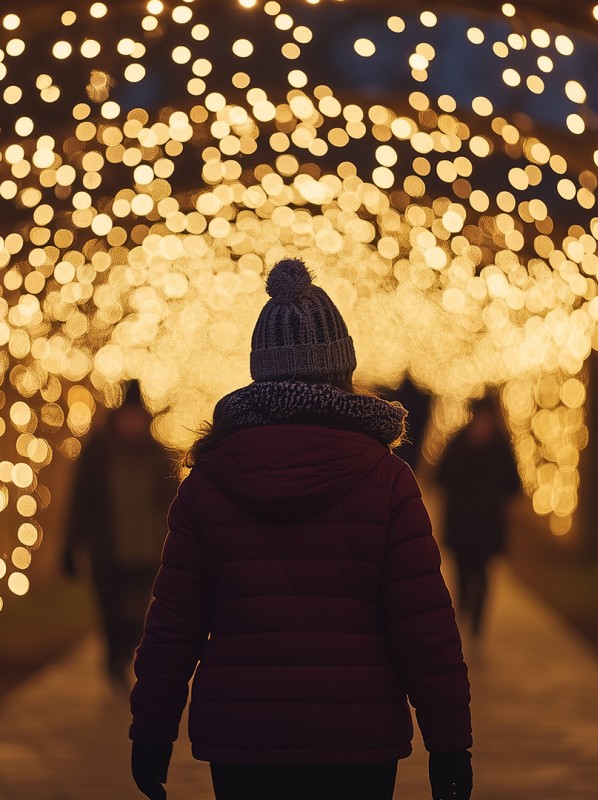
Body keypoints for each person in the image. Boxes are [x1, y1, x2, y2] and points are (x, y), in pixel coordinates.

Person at [129, 258, 473, 800]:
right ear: (343, 370)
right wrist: (450, 742)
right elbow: (423, 625)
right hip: (358, 736)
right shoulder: (386, 480)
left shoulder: (209, 481)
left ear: (260, 371)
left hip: (244, 737)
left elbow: (174, 624)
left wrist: (150, 733)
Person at [63, 380, 178, 688]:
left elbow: (173, 504)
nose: (133, 424)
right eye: (128, 417)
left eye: (137, 418)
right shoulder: (97, 454)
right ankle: (114, 658)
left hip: (148, 552)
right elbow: (80, 501)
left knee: (138, 614)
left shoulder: (159, 456)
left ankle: (125, 653)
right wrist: (71, 546)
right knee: (110, 612)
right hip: (108, 551)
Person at [436, 395, 521, 638]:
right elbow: (441, 476)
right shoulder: (458, 442)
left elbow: (513, 485)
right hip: (462, 522)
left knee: (482, 574)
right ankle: (464, 615)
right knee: (462, 573)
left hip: (486, 524)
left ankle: (476, 623)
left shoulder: (500, 445)